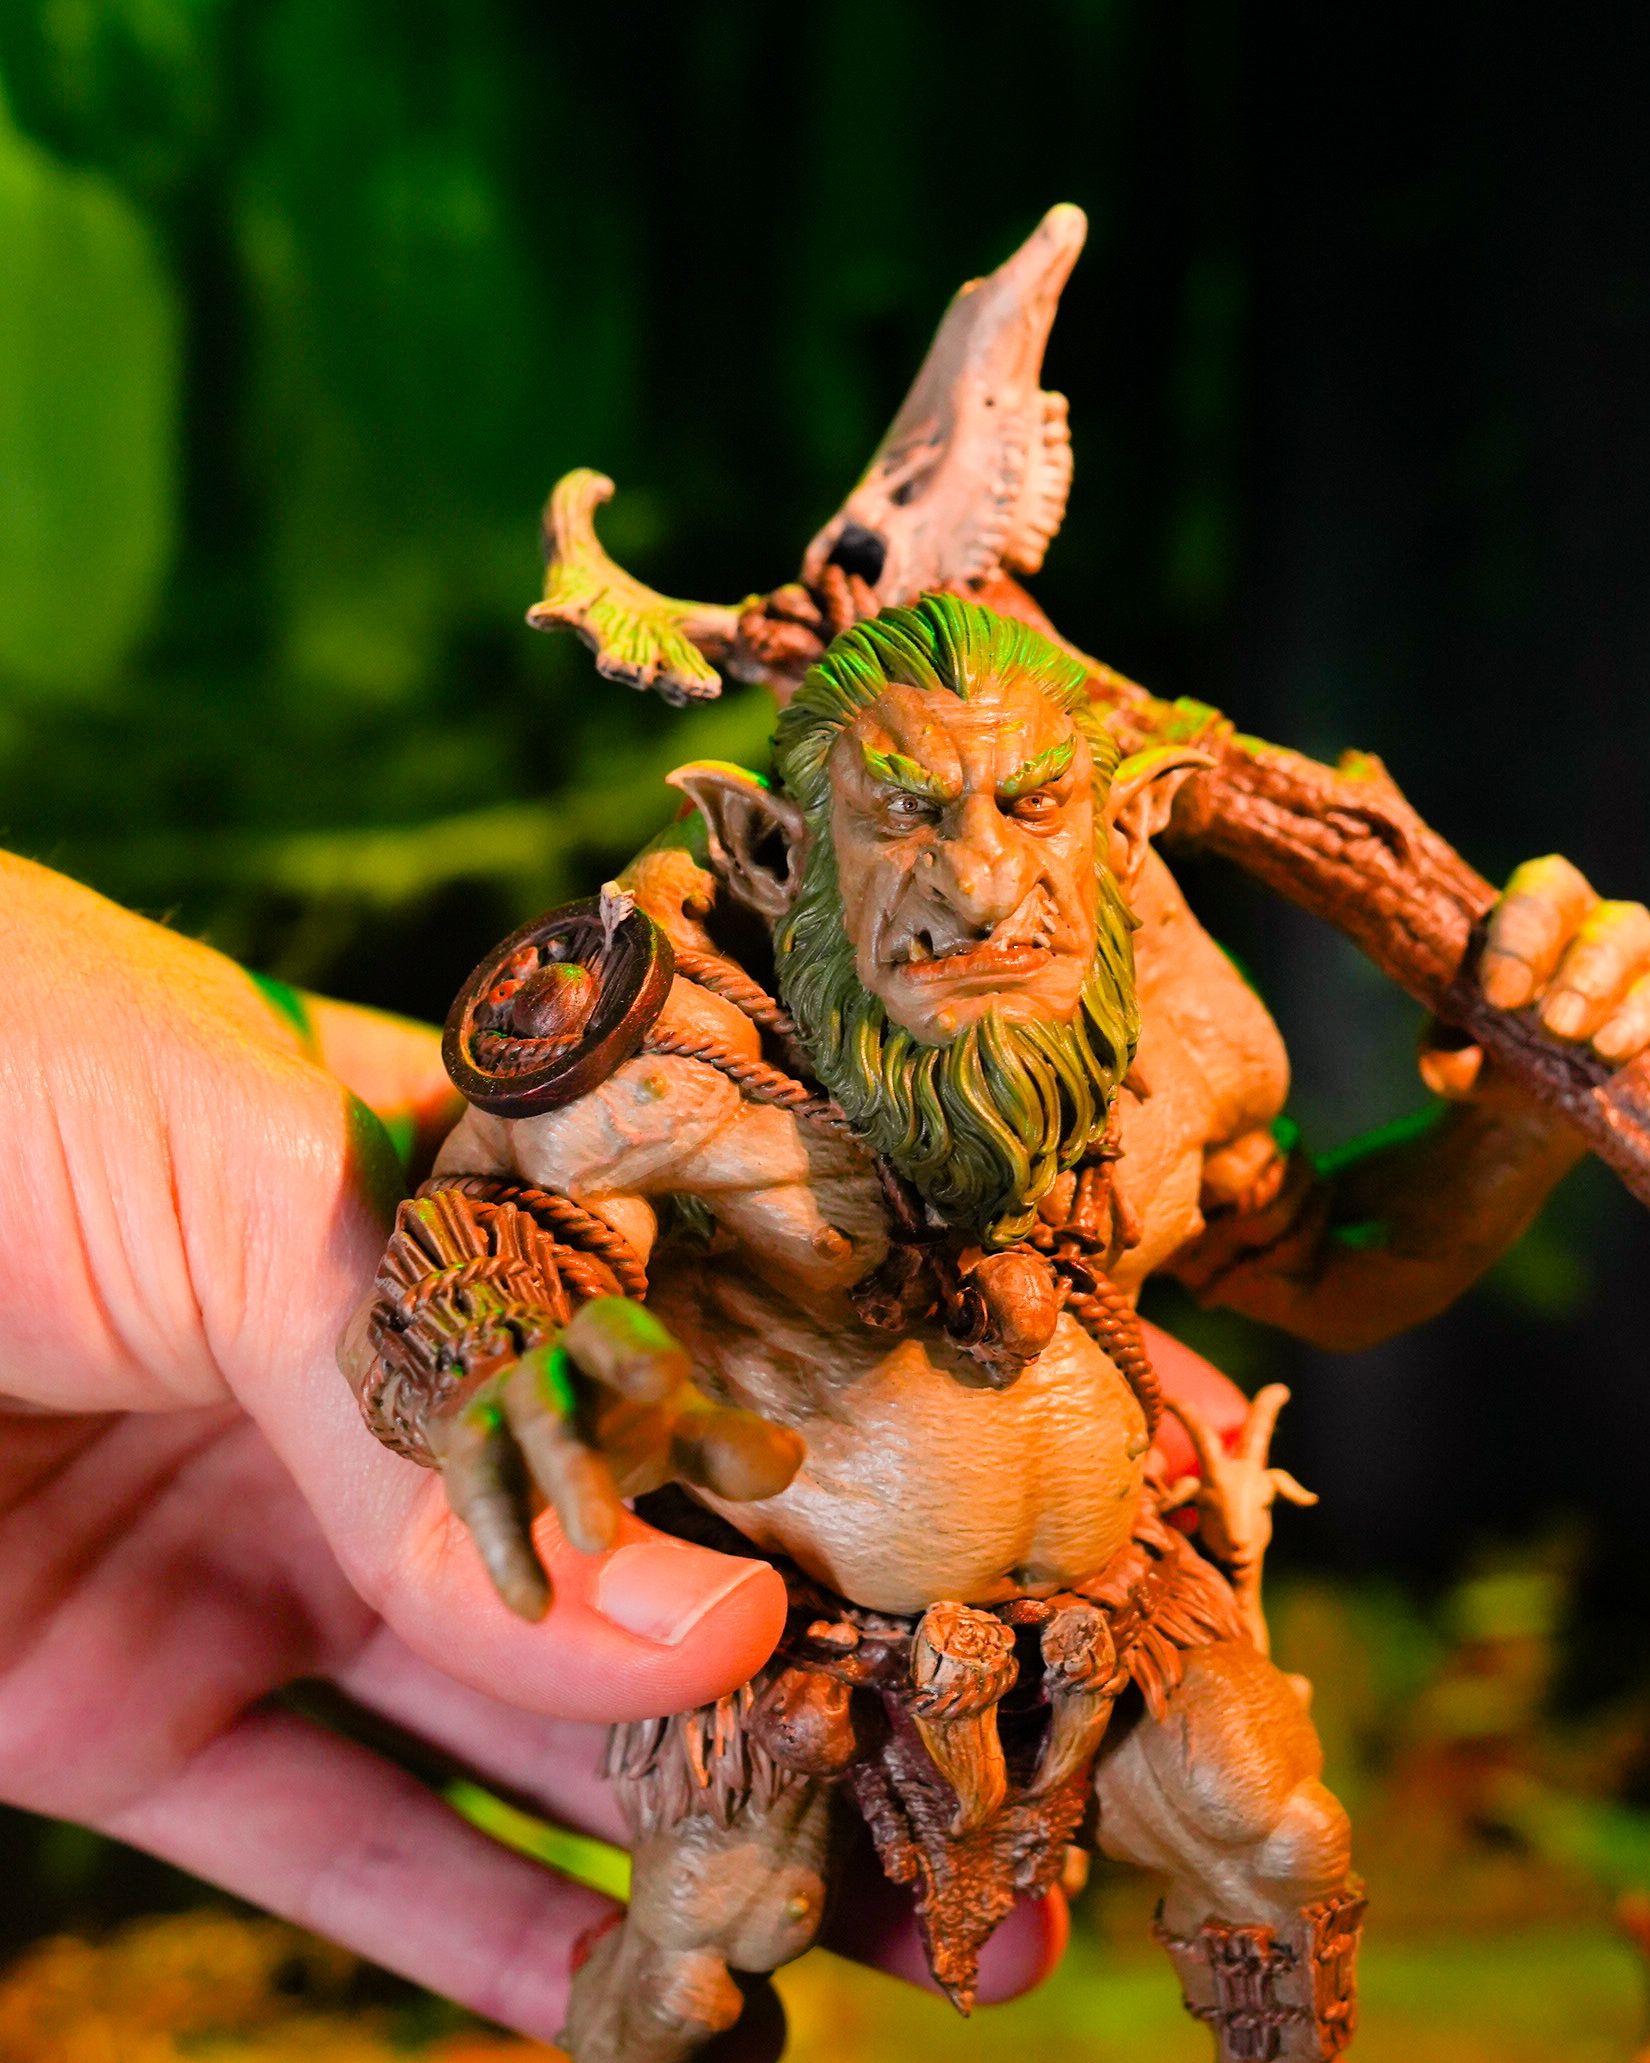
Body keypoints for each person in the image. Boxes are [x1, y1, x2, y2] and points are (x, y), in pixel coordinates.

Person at [0, 847, 1105, 2049]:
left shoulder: (1037, 1020)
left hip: (1025, 1553)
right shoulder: (653, 1054)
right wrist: (507, 1359)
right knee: (726, 1905)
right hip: (775, 1616)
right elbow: (500, 1234)